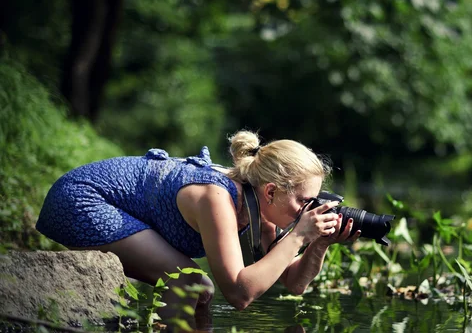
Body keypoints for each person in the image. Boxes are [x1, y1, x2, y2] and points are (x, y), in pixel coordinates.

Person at [35, 130, 360, 331]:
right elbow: (239, 293)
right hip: (81, 199)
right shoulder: (217, 198)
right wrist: (300, 235)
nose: (308, 209)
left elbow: (293, 283)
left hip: (106, 203)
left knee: (197, 288)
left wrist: (318, 243)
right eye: (304, 201)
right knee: (194, 284)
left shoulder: (263, 207)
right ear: (271, 191)